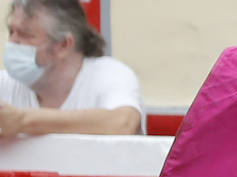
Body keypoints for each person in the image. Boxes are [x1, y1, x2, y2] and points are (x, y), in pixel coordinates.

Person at [0, 0, 141, 136]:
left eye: (25, 35)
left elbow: (124, 124)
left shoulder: (111, 76)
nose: (12, 42)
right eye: (11, 31)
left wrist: (23, 121)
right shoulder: (6, 83)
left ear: (64, 45)